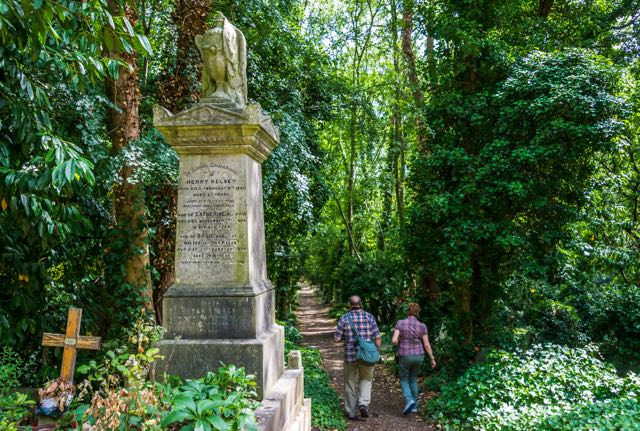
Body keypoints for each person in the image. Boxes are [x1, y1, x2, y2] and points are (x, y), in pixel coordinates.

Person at [334, 295, 382, 420]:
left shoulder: (344, 318)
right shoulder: (369, 317)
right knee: (366, 379)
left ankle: (350, 411)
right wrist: (377, 352)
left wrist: (347, 338)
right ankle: (363, 404)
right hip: (367, 355)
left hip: (350, 355)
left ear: (349, 305)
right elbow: (377, 337)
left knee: (350, 382)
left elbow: (337, 338)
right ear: (361, 304)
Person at [392, 302, 436, 415]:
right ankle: (415, 406)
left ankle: (409, 400)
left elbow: (394, 340)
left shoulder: (400, 323)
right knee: (413, 379)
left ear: (408, 311)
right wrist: (432, 358)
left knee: (403, 378)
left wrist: (397, 342)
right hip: (419, 356)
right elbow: (426, 344)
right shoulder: (422, 326)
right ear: (418, 313)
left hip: (405, 355)